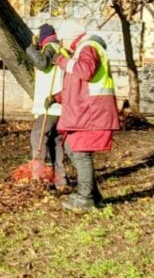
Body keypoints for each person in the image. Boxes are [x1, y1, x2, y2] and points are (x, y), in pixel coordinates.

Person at [50, 31, 119, 212]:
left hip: (92, 114)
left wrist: (59, 60)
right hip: (91, 113)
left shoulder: (88, 47)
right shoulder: (85, 51)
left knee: (80, 153)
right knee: (72, 149)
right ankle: (93, 196)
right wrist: (57, 97)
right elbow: (79, 85)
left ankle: (85, 199)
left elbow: (85, 72)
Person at [25, 22, 67, 188]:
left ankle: (38, 177)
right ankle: (60, 180)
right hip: (57, 105)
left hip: (50, 106)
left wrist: (31, 49)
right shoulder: (60, 50)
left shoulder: (50, 47)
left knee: (38, 136)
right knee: (56, 143)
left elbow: (42, 63)